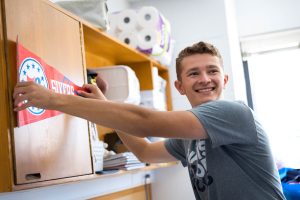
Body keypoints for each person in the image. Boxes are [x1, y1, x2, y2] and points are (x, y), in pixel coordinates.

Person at [13, 41, 286, 200]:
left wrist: (52, 100)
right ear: (179, 86)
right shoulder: (188, 136)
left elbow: (144, 121)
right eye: (194, 73)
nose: (204, 79)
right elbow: (144, 150)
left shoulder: (234, 113)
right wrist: (102, 104)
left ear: (224, 80)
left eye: (212, 71)